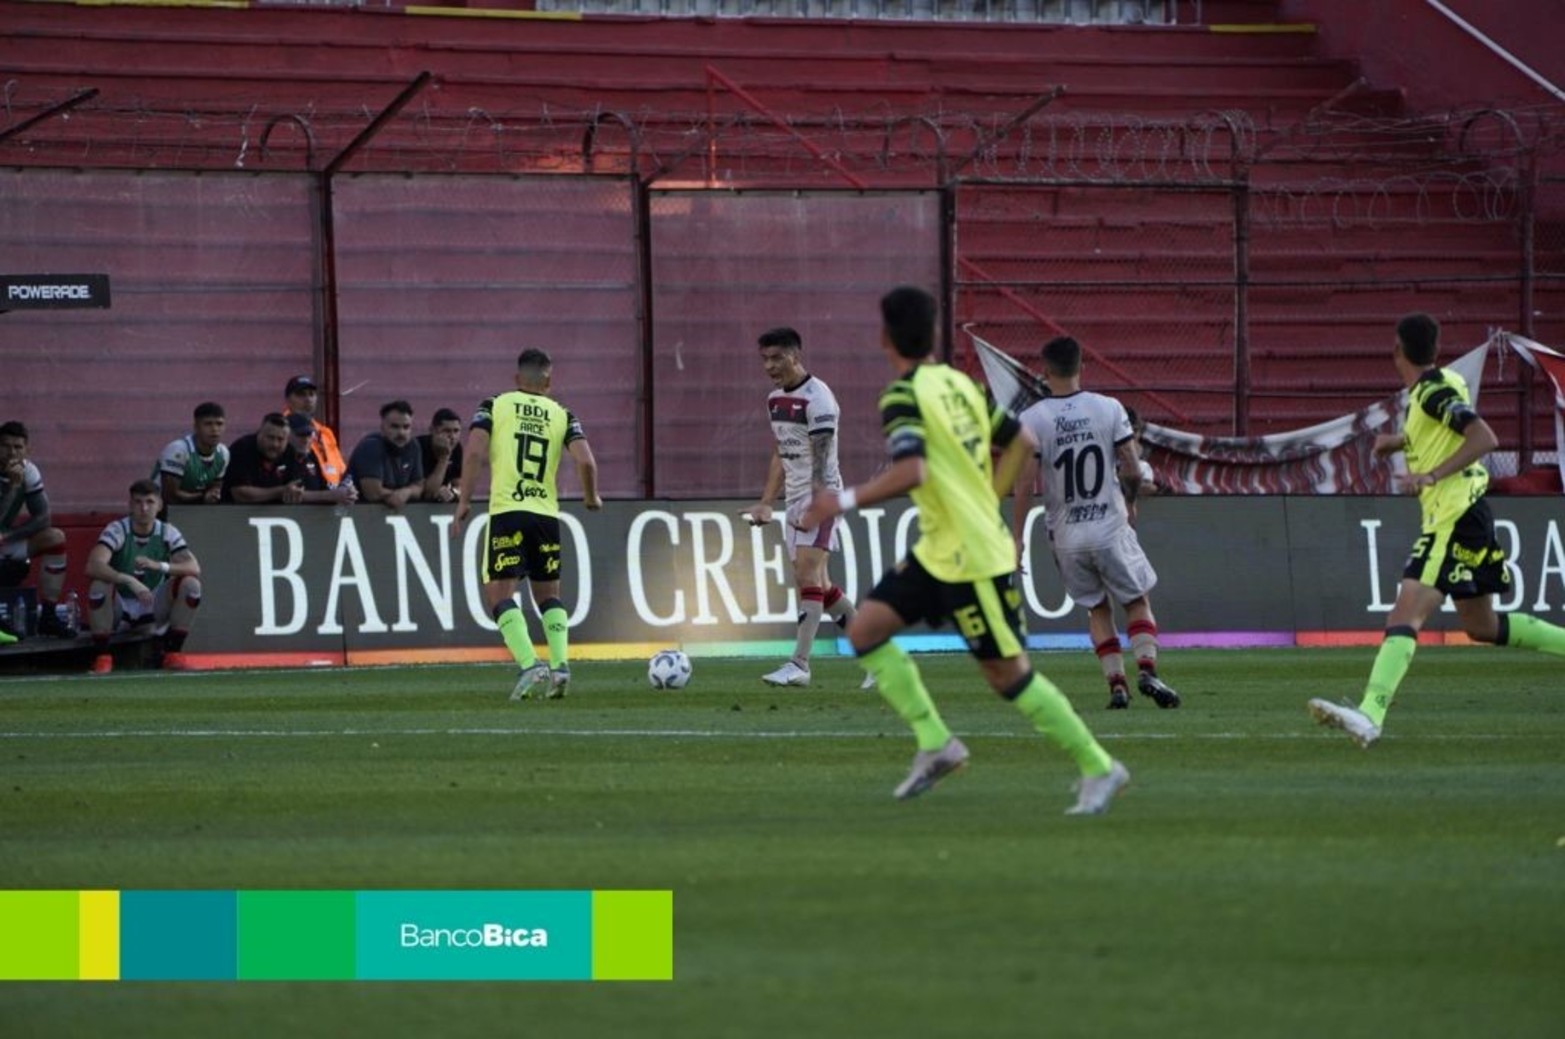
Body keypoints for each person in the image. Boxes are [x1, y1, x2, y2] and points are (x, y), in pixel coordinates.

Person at [801, 287, 1129, 816]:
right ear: (932, 335)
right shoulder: (962, 384)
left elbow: (915, 470)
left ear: (884, 337)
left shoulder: (903, 396)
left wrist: (839, 500)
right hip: (941, 550)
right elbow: (1021, 436)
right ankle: (937, 743)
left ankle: (1098, 765)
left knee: (1008, 676)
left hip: (973, 558)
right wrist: (988, 495)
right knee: (864, 630)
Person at [1309, 313, 1565, 747]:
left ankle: (1370, 714)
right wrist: (1402, 441)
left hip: (1453, 516)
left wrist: (1431, 475)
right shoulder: (1439, 387)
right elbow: (1444, 429)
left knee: (1404, 613)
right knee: (1480, 625)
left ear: (1396, 351)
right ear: (1435, 350)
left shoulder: (1432, 393)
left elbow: (1483, 437)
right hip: (1469, 513)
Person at [1011, 337, 1181, 711]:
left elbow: (1024, 483)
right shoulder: (1109, 408)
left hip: (1066, 535)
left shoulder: (1032, 419)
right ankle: (1148, 669)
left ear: (1045, 371)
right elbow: (1132, 465)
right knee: (1136, 600)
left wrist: (1017, 539)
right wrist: (1131, 501)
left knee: (1097, 609)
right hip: (1108, 525)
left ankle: (1117, 685)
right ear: (1081, 366)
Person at [455, 348, 601, 701]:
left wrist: (463, 500)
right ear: (549, 381)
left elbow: (474, 451)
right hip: (546, 516)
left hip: (508, 512)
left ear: (516, 379)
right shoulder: (563, 414)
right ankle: (561, 665)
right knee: (549, 595)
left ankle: (529, 664)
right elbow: (587, 462)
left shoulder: (494, 405)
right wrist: (591, 498)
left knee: (499, 595)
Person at [742, 326, 870, 689]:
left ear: (795, 356)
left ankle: (799, 664)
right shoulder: (774, 400)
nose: (769, 366)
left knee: (806, 577)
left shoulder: (819, 400)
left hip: (822, 497)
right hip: (795, 500)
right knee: (822, 587)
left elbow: (822, 454)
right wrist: (768, 503)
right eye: (764, 359)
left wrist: (815, 502)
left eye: (777, 358)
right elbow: (781, 452)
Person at [84, 479, 202, 674]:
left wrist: (160, 566)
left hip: (154, 603)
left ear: (160, 505)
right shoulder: (118, 529)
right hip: (120, 605)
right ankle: (103, 657)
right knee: (99, 586)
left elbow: (193, 567)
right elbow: (93, 565)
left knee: (192, 585)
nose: (144, 508)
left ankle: (173, 653)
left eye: (149, 502)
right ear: (130, 505)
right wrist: (128, 580)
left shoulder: (167, 532)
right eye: (138, 502)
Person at [0, 420, 73, 637]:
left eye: (18, 447)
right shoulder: (14, 478)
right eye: (5, 446)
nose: (11, 453)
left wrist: (8, 536)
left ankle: (48, 616)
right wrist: (11, 487)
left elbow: (43, 518)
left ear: (27, 450)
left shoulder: (28, 471)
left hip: (3, 539)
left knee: (55, 538)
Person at [223, 413, 350, 505]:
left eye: (280, 439)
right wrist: (280, 491)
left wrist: (336, 495)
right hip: (235, 518)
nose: (275, 444)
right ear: (259, 433)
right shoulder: (243, 448)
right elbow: (240, 494)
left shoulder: (291, 452)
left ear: (287, 439)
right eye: (270, 438)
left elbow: (296, 493)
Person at [348, 400, 424, 511]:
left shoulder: (413, 446)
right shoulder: (370, 446)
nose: (401, 433)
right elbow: (372, 493)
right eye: (395, 427)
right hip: (354, 513)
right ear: (382, 428)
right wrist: (399, 494)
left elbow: (419, 487)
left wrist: (406, 492)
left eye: (406, 427)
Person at [153, 401, 230, 506]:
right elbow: (170, 497)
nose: (215, 429)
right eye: (208, 424)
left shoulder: (223, 453)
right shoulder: (179, 450)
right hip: (161, 510)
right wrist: (203, 498)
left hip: (195, 510)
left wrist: (213, 495)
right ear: (196, 427)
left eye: (219, 424)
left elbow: (215, 489)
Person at [283, 375, 347, 488]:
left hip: (333, 498)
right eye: (301, 394)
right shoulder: (281, 430)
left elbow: (341, 470)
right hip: (302, 497)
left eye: (311, 394)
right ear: (288, 400)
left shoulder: (326, 433)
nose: (308, 399)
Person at [417, 407, 465, 503]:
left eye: (456, 431)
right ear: (432, 430)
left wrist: (453, 492)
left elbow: (460, 486)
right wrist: (444, 457)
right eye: (447, 431)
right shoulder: (418, 447)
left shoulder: (457, 449)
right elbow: (429, 493)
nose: (452, 436)